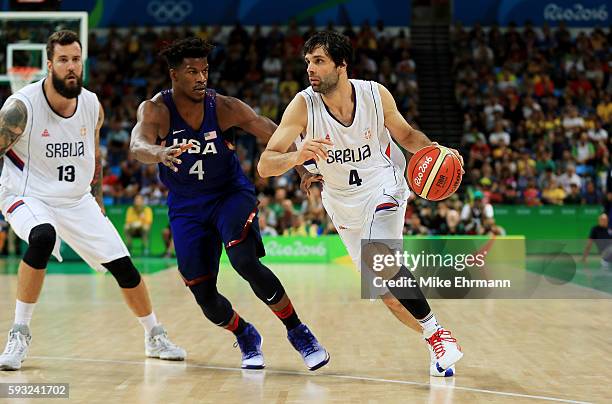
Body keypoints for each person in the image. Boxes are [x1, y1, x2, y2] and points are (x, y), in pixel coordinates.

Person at [258, 31, 463, 377]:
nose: (310, 68)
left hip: (385, 185)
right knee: (387, 295)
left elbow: (408, 136)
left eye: (319, 61)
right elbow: (265, 165)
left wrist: (436, 150)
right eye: (308, 62)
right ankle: (435, 337)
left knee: (378, 256)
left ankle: (437, 333)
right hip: (342, 205)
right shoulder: (302, 105)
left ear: (341, 65)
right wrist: (297, 157)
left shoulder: (373, 94)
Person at [129, 37, 329, 371]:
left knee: (243, 260)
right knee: (204, 296)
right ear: (173, 74)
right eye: (192, 71)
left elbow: (272, 133)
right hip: (186, 207)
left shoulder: (223, 107)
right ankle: (245, 333)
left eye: (205, 70)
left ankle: (298, 332)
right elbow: (137, 144)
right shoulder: (156, 110)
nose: (201, 78)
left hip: (229, 195)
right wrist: (160, 153)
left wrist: (301, 167)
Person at [0, 31, 184, 371]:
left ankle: (153, 334)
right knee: (42, 237)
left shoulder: (91, 104)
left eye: (76, 59)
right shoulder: (19, 109)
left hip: (76, 199)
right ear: (49, 64)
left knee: (124, 266)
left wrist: (97, 196)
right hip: (28, 195)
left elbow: (92, 154)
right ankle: (19, 332)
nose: (72, 67)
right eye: (64, 60)